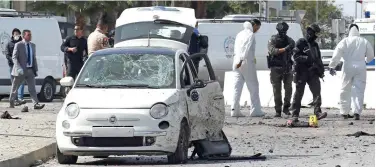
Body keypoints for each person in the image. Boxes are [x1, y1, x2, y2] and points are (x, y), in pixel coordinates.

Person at [328, 24, 374, 120]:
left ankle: (344, 112)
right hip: (361, 66)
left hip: (347, 65)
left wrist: (332, 66)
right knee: (359, 90)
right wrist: (365, 61)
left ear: (349, 31)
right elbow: (371, 55)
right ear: (358, 30)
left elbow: (337, 53)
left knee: (345, 89)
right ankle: (357, 112)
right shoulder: (364, 41)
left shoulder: (344, 41)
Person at [290, 24, 327, 121]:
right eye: (315, 33)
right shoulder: (301, 42)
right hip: (301, 72)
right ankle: (295, 114)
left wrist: (321, 70)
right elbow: (295, 56)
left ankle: (317, 112)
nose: (316, 35)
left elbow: (318, 58)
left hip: (313, 72)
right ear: (310, 32)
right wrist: (307, 58)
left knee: (317, 92)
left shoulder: (315, 45)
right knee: (298, 94)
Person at [230, 19, 265, 117]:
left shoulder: (239, 34)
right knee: (253, 86)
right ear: (253, 25)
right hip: (245, 62)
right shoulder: (250, 34)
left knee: (237, 87)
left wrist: (238, 61)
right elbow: (245, 48)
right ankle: (255, 110)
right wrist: (241, 60)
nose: (257, 30)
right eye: (257, 28)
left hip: (236, 62)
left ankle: (234, 110)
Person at [9, 30, 45, 109]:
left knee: (32, 88)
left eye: (30, 35)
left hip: (30, 70)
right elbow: (14, 57)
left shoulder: (33, 45)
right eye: (28, 35)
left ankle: (36, 104)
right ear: (23, 36)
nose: (30, 36)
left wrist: (35, 68)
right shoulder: (18, 45)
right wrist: (18, 68)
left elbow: (33, 57)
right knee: (15, 88)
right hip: (20, 70)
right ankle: (11, 102)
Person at [267, 22, 295, 117]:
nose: (283, 33)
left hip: (287, 68)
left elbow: (294, 51)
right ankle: (278, 110)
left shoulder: (290, 40)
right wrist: (285, 49)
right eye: (281, 31)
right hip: (276, 69)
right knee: (277, 91)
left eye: (284, 31)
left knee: (288, 90)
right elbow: (272, 51)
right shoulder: (273, 39)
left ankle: (286, 108)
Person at [4, 28, 25, 106]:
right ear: (12, 35)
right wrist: (14, 61)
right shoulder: (9, 43)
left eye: (18, 34)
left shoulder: (22, 43)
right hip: (12, 66)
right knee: (14, 83)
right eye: (15, 34)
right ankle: (15, 100)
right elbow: (7, 54)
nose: (16, 35)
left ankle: (20, 98)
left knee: (22, 82)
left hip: (21, 66)